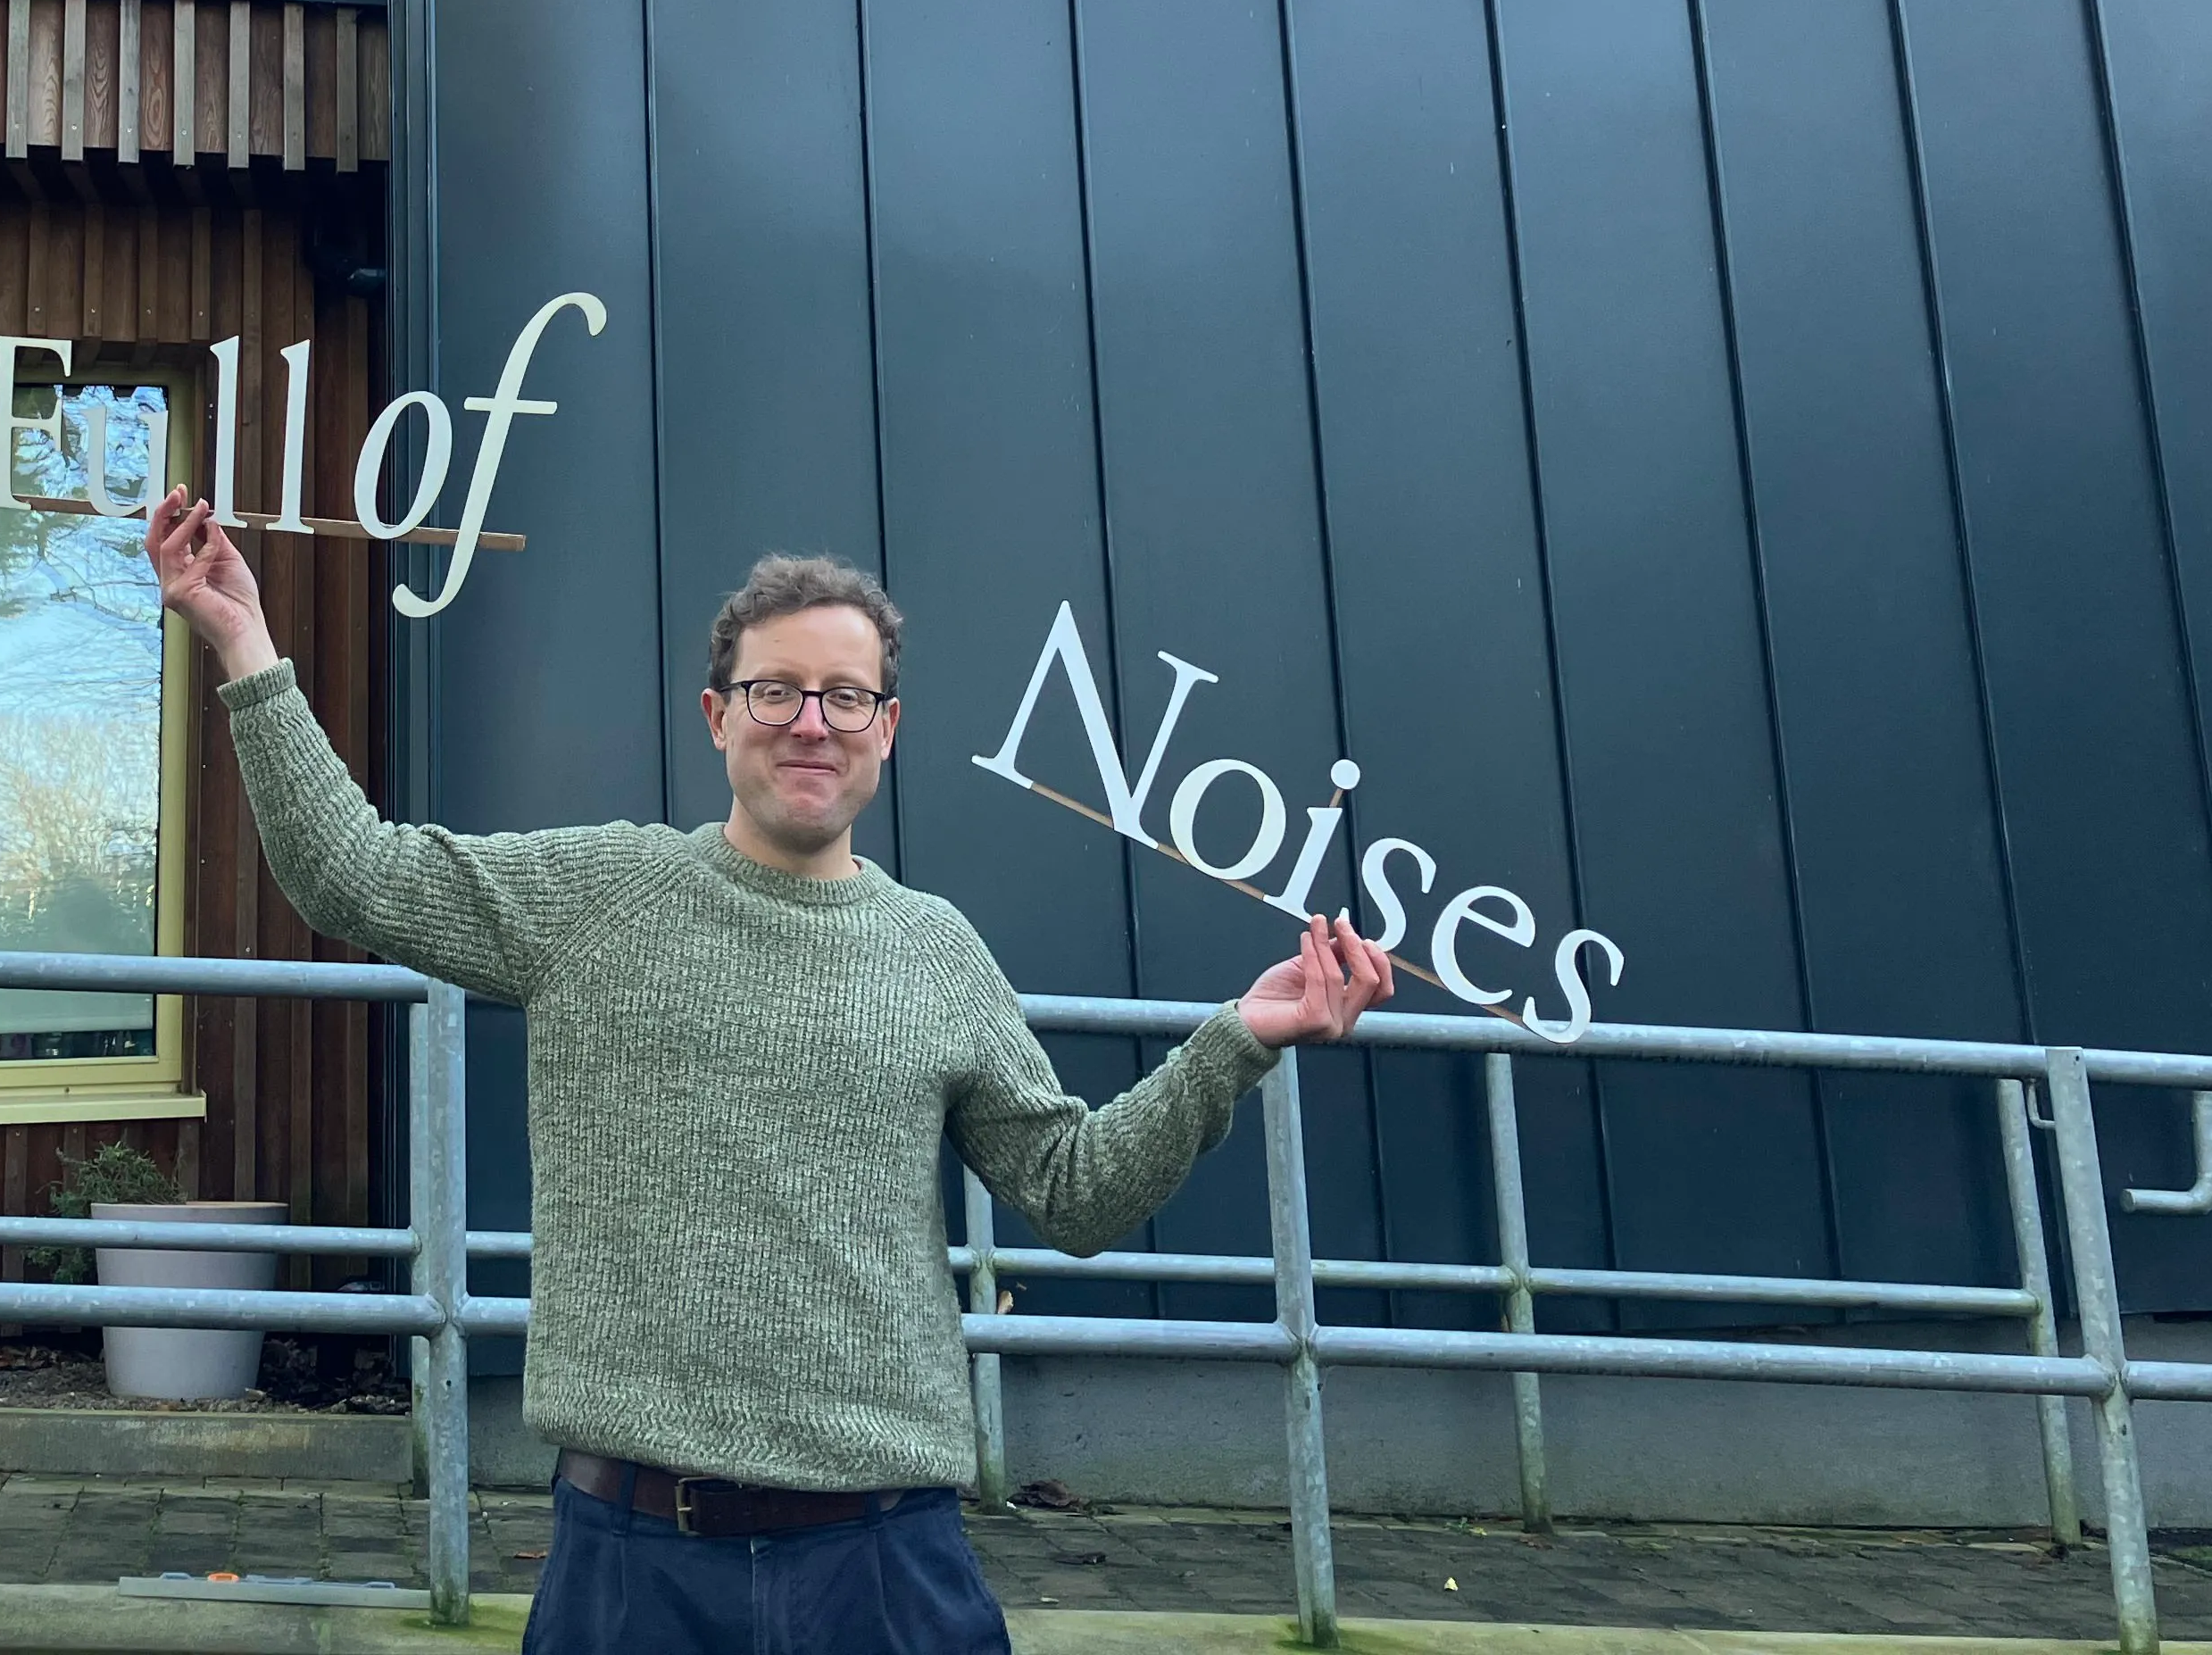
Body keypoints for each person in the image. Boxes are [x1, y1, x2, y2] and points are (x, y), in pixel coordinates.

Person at [146, 493, 1395, 1655]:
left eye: (846, 697)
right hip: (630, 1568)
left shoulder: (937, 952)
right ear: (716, 714)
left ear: (887, 730)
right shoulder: (600, 897)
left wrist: (1237, 1038)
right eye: (777, 690)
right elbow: (351, 874)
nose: (812, 720)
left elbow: (1073, 1194)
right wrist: (245, 642)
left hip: (885, 1567)